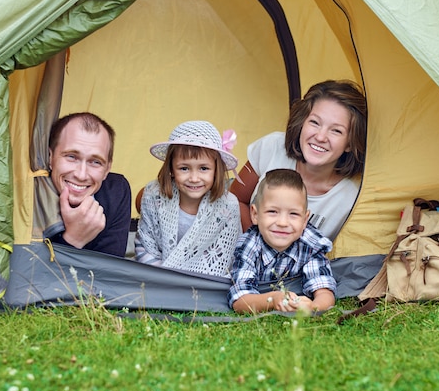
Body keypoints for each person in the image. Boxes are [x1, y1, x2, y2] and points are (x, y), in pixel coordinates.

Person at [229, 79, 367, 240]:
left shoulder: (352, 198)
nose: (321, 137)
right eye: (315, 122)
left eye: (336, 131)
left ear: (350, 143)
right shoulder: (272, 147)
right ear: (302, 122)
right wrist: (258, 247)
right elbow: (235, 200)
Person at [134, 120, 242, 277]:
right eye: (184, 168)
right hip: (156, 277)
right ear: (171, 168)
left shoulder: (228, 206)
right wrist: (163, 279)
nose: (194, 178)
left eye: (204, 169)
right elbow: (144, 245)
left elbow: (230, 257)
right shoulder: (154, 195)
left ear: (216, 170)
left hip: (206, 284)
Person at [228, 169, 336, 314]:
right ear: (255, 214)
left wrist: (313, 307)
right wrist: (273, 299)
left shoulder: (311, 245)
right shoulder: (248, 245)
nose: (283, 223)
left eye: (294, 214)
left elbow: (324, 291)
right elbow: (240, 301)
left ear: (305, 220)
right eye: (272, 211)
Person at [48, 112, 131, 257]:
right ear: (50, 158)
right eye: (71, 157)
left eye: (95, 162)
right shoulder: (30, 192)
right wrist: (73, 239)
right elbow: (28, 273)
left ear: (107, 169)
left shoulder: (116, 191)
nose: (81, 175)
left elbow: (107, 273)